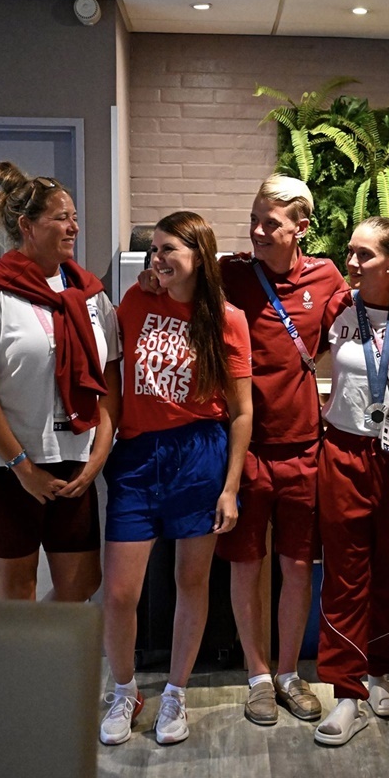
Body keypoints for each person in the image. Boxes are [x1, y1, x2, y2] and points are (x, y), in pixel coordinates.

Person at [99, 211, 252, 747]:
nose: (158, 259)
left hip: (199, 455)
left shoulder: (228, 319)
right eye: (155, 250)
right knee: (120, 593)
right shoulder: (136, 301)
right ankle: (124, 690)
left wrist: (230, 487)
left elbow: (241, 411)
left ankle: (175, 692)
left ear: (199, 257)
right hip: (138, 456)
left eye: (169, 250)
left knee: (192, 581)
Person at [0, 161, 117, 603]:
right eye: (61, 218)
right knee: (18, 586)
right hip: (3, 464)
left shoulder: (90, 294)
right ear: (27, 226)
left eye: (74, 217)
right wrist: (23, 468)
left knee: (82, 582)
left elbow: (110, 378)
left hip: (72, 455)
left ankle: (39, 645)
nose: (73, 227)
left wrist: (98, 455)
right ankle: (19, 649)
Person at [211, 175, 346, 726]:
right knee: (246, 565)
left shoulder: (326, 276)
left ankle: (289, 672)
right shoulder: (232, 274)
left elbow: (361, 318)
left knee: (296, 566)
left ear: (301, 228)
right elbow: (179, 283)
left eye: (271, 223)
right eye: (254, 220)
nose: (258, 231)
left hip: (304, 448)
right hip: (245, 451)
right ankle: (258, 676)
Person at [313, 217, 389, 746]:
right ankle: (346, 692)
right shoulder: (337, 305)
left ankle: (378, 673)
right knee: (346, 575)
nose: (351, 263)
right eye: (350, 252)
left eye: (365, 255)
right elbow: (300, 354)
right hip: (344, 452)